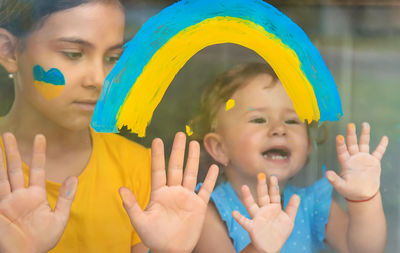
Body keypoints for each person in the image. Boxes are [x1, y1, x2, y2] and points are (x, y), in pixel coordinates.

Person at [0, 1, 219, 253]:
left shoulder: (139, 167)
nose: (100, 80)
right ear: (9, 51)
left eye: (113, 58)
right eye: (73, 54)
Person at [191, 62, 389, 253]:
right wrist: (260, 248)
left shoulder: (313, 205)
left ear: (308, 145)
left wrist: (365, 200)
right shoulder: (210, 212)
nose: (279, 129)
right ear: (219, 148)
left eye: (292, 121)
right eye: (259, 119)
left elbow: (365, 249)